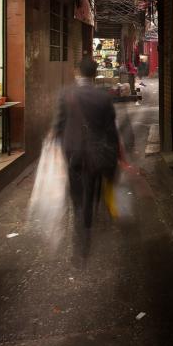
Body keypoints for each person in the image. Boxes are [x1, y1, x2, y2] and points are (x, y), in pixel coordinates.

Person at [53, 58, 120, 232]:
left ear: (78, 72)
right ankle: (90, 208)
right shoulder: (103, 97)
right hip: (96, 148)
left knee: (74, 178)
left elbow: (59, 124)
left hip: (72, 147)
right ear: (95, 74)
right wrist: (115, 151)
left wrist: (57, 142)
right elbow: (110, 128)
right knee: (94, 177)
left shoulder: (65, 93)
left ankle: (78, 208)